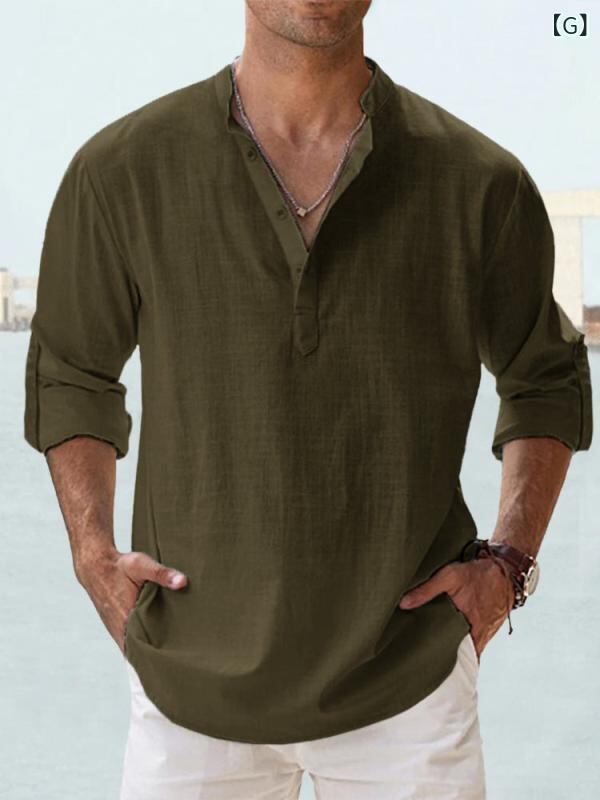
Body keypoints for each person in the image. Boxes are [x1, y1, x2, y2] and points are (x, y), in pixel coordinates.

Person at [24, 1, 593, 798]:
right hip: (188, 688)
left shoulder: (479, 181)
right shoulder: (123, 170)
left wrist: (508, 566)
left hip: (409, 687)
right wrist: (93, 557)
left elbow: (547, 379)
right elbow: (71, 372)